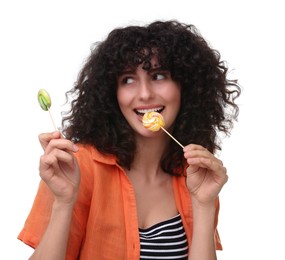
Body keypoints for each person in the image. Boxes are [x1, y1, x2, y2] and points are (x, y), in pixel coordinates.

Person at [18, 20, 241, 260]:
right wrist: (63, 202)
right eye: (128, 79)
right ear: (112, 94)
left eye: (158, 75)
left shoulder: (196, 175)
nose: (145, 94)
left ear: (186, 86)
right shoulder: (74, 166)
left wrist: (204, 206)